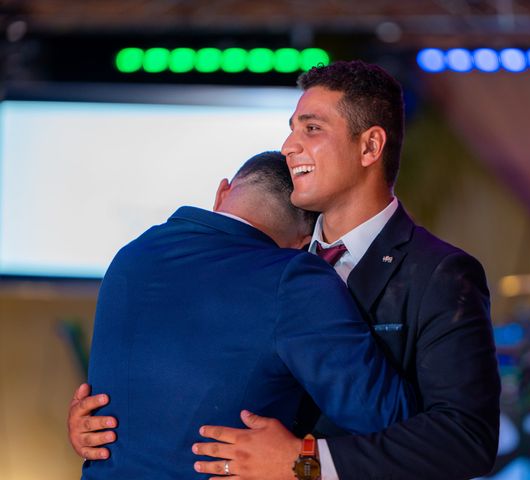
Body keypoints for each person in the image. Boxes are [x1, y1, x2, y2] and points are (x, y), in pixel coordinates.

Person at [70, 60, 501, 480]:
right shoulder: (267, 270)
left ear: (370, 146)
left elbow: (466, 440)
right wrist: (106, 423)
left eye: (311, 129)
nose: (289, 146)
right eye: (292, 129)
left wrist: (306, 462)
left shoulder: (439, 273)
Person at [75, 151, 415, 479]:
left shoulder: (131, 256)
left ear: (222, 192)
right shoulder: (295, 279)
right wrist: (302, 461)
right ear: (303, 240)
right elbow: (391, 422)